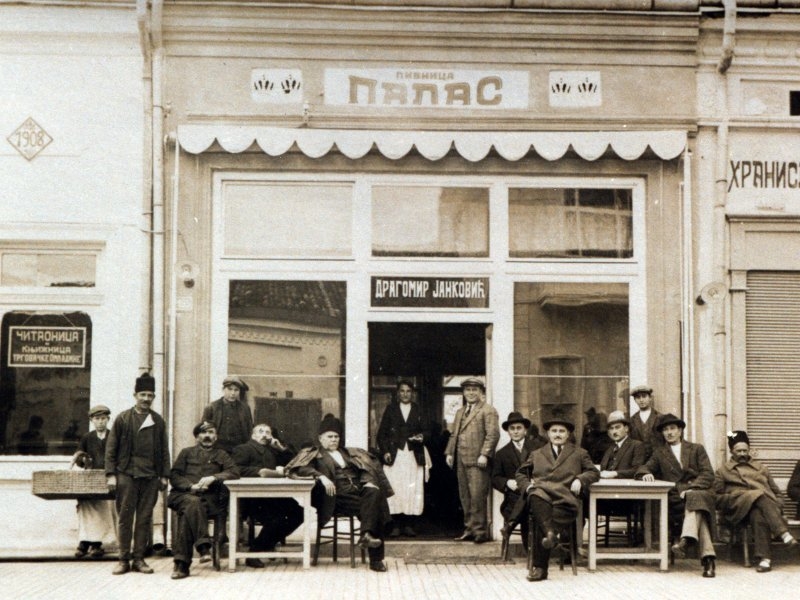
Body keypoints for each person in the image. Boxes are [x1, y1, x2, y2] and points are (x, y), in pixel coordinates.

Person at [286, 415, 393, 573]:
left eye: (336, 436)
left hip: (356, 492)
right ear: (320, 438)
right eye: (330, 436)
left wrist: (368, 482)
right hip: (335, 496)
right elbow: (300, 468)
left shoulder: (349, 453)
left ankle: (367, 535)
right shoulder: (314, 453)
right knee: (374, 508)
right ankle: (375, 558)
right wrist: (321, 476)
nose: (334, 440)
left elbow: (366, 469)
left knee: (373, 492)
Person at [516, 417, 599, 582]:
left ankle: (542, 563)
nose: (557, 434)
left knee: (542, 520)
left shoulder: (579, 453)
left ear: (568, 435)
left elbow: (594, 472)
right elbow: (520, 473)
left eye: (562, 431)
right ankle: (548, 542)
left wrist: (580, 479)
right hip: (542, 497)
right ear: (547, 434)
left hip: (565, 501)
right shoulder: (536, 454)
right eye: (554, 431)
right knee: (535, 496)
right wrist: (527, 486)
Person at [635, 413, 717, 578]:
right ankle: (707, 559)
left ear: (680, 430)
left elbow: (708, 474)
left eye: (672, 428)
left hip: (698, 491)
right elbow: (643, 468)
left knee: (695, 498)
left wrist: (692, 487)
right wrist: (645, 473)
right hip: (675, 499)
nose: (669, 433)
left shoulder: (696, 449)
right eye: (665, 430)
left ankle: (685, 540)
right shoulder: (660, 453)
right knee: (697, 509)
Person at [105, 372, 170, 576]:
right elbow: (111, 448)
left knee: (144, 518)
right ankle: (123, 559)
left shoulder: (158, 421)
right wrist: (111, 474)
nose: (146, 399)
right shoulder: (123, 418)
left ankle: (139, 559)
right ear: (135, 395)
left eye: (150, 395)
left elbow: (163, 450)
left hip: (150, 477)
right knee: (125, 518)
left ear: (153, 398)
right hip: (126, 474)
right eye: (142, 394)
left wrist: (164, 475)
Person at [714, 430, 797, 573]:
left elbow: (777, 493)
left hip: (765, 509)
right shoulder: (722, 472)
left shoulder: (761, 468)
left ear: (749, 450)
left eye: (745, 450)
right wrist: (738, 497)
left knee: (758, 513)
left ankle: (765, 559)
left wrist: (778, 503)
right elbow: (717, 498)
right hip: (738, 511)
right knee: (758, 494)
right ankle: (784, 534)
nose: (741, 454)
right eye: (738, 450)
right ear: (731, 451)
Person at [168, 421, 239, 579]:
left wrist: (214, 477)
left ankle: (182, 565)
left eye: (211, 432)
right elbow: (174, 475)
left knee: (191, 510)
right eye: (203, 433)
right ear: (197, 437)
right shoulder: (186, 452)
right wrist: (190, 487)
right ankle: (203, 546)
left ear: (216, 436)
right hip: (183, 495)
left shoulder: (221, 455)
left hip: (208, 500)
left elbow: (234, 472)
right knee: (192, 502)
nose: (207, 436)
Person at [231, 422, 304, 568]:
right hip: (251, 498)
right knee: (276, 518)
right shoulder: (244, 449)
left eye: (268, 432)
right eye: (260, 431)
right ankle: (254, 552)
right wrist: (259, 472)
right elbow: (236, 469)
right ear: (253, 435)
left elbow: (295, 464)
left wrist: (281, 449)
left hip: (274, 495)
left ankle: (266, 543)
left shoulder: (273, 451)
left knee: (299, 513)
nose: (264, 435)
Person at [445, 377, 500, 544]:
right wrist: (449, 453)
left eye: (474, 390)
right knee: (465, 496)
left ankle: (480, 531)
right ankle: (469, 529)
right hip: (461, 459)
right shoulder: (460, 412)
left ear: (481, 392)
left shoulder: (488, 410)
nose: (470, 393)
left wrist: (484, 454)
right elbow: (454, 434)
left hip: (478, 461)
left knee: (477, 496)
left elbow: (493, 435)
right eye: (467, 390)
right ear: (463, 392)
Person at [376, 379, 428, 538]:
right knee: (395, 488)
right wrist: (385, 451)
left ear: (413, 393)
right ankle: (395, 525)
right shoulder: (391, 409)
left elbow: (429, 431)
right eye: (402, 391)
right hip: (395, 455)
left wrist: (422, 437)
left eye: (408, 391)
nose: (405, 394)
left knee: (411, 489)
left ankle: (409, 525)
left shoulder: (419, 410)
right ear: (398, 393)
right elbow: (381, 435)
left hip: (413, 455)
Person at [71, 405, 118, 559]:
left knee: (103, 510)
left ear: (108, 419)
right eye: (97, 419)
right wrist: (82, 460)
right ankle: (84, 542)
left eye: (103, 419)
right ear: (91, 420)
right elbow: (79, 459)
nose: (100, 422)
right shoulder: (87, 438)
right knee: (86, 508)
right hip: (90, 480)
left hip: (107, 479)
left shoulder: (114, 437)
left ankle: (97, 544)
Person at [594, 410, 647, 541]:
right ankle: (581, 546)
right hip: (607, 496)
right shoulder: (609, 449)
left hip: (628, 498)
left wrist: (614, 473)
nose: (614, 432)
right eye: (611, 429)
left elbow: (637, 469)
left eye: (617, 427)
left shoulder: (636, 446)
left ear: (626, 428)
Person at [492, 411, 535, 552]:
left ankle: (509, 526)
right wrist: (507, 483)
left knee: (530, 503)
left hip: (536, 494)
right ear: (508, 431)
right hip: (513, 499)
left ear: (525, 430)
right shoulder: (501, 454)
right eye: (512, 428)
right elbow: (495, 478)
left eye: (519, 428)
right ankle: (532, 555)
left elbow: (547, 470)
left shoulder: (537, 449)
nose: (516, 431)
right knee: (527, 506)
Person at [202, 375, 254, 454]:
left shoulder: (245, 408)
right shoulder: (212, 407)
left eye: (236, 390)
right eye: (229, 389)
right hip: (217, 449)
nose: (233, 393)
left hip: (239, 449)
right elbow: (204, 431)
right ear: (223, 389)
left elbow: (249, 429)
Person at [628, 385, 662, 458]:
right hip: (639, 460)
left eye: (644, 396)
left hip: (658, 459)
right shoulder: (631, 420)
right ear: (635, 400)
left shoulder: (660, 417)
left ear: (650, 398)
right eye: (638, 397)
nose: (641, 400)